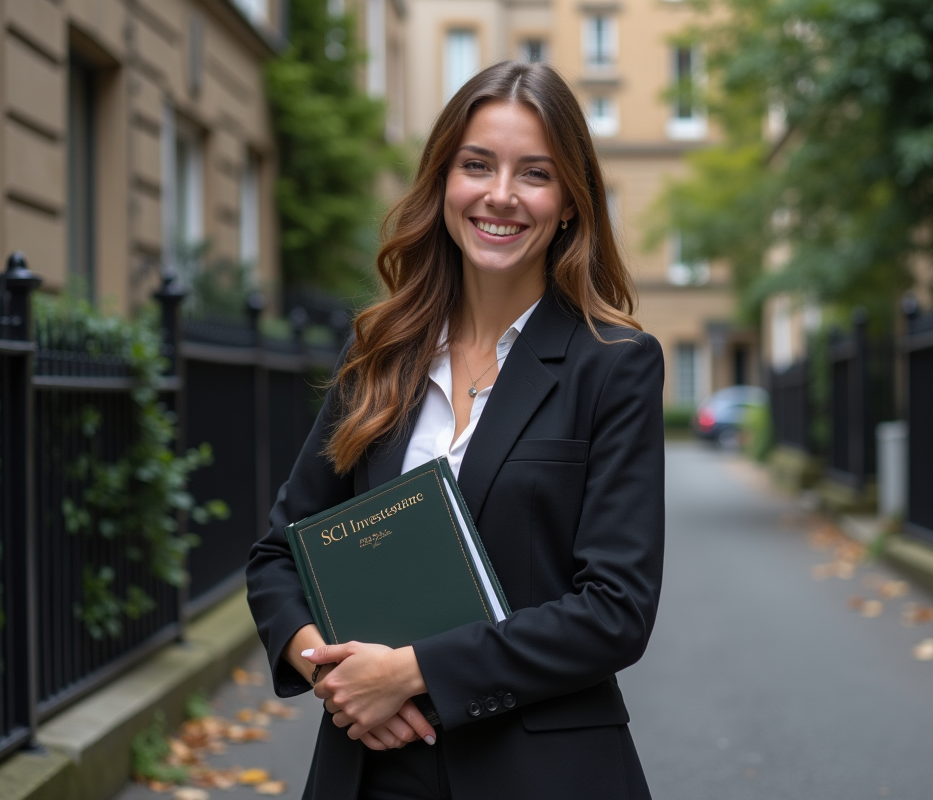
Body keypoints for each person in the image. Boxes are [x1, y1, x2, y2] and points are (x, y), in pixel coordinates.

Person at [245, 60, 664, 800]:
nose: (500, 195)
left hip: (540, 773)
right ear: (444, 180)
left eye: (534, 173)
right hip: (372, 764)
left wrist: (409, 672)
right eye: (477, 166)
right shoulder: (380, 350)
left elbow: (615, 611)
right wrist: (333, 673)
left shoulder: (615, 365)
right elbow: (280, 555)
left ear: (569, 201)